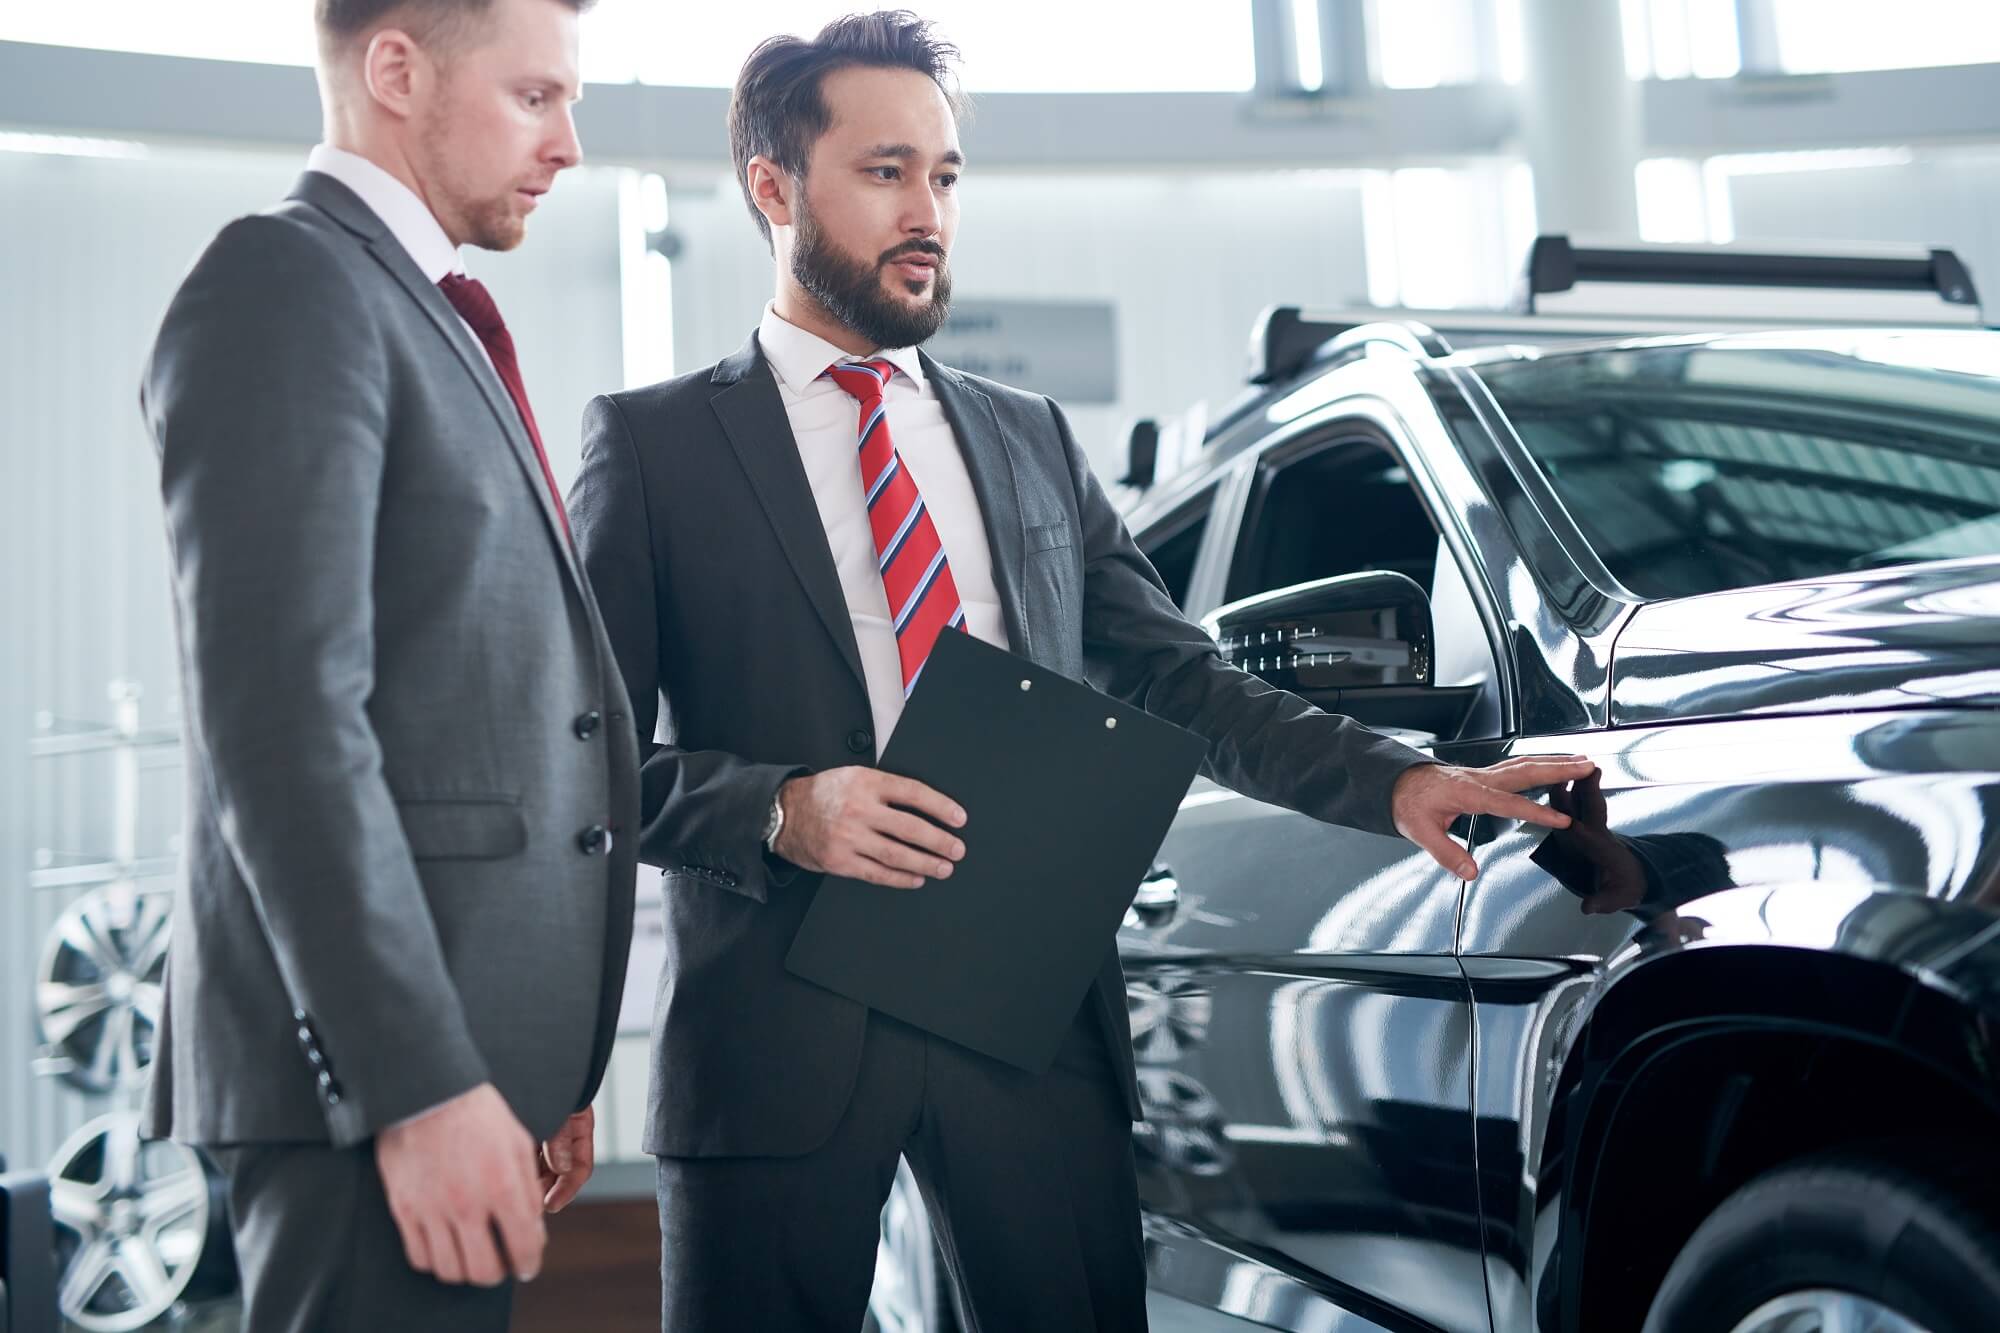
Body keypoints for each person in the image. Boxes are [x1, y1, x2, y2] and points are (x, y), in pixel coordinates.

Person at [568, 12, 1592, 1329]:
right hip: (778, 1024)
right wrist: (779, 807)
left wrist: (1400, 782)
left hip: (1023, 1010)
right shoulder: (655, 450)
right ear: (773, 185)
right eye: (885, 172)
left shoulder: (1029, 439)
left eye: (943, 175)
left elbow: (1186, 681)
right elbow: (582, 760)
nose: (925, 209)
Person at [139, 1, 637, 1327]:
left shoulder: (423, 310)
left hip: (472, 1071)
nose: (570, 145)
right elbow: (283, 721)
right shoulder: (287, 282)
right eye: (536, 98)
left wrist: (538, 1061)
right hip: (372, 1093)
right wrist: (414, 1080)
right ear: (397, 70)